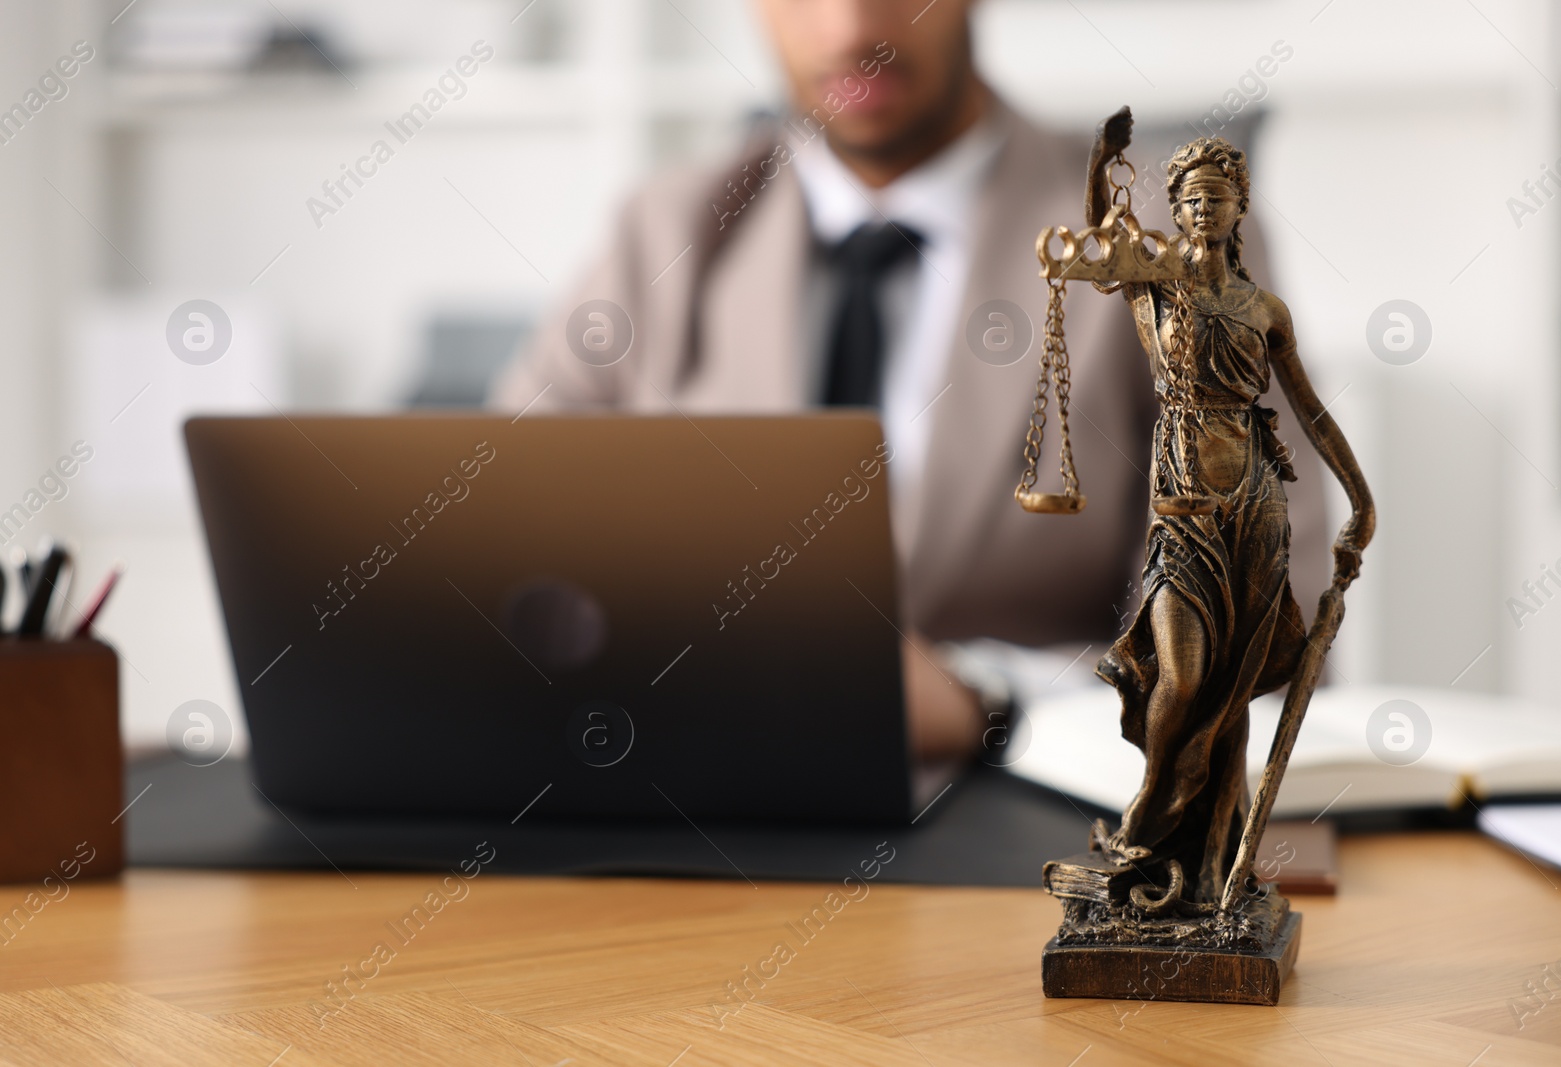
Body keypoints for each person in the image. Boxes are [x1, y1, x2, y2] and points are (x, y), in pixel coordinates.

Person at [492, 0, 1328, 762]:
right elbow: (500, 542)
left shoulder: (1161, 246)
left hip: (1014, 820)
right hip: (692, 787)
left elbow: (1259, 625)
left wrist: (988, 704)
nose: (852, 29)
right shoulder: (666, 229)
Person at [1080, 111, 1371, 906]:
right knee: (1182, 675)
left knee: (1235, 692)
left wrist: (1361, 496)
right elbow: (1099, 241)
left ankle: (1211, 862)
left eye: (1218, 196)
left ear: (1240, 207)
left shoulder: (1266, 310)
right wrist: (1103, 160)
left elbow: (1309, 412)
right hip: (1181, 509)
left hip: (1255, 512)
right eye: (1190, 197)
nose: (1204, 209)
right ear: (1174, 209)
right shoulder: (1156, 289)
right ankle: (1152, 802)